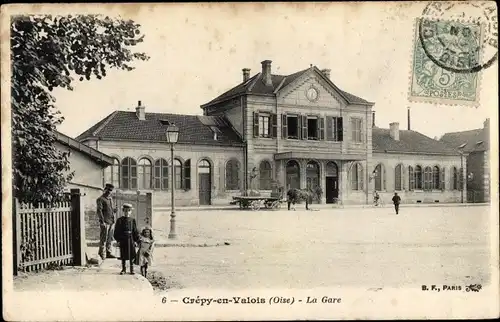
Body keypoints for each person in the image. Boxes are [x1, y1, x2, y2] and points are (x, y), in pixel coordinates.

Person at [113, 203, 140, 275]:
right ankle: (123, 269)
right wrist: (118, 240)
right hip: (123, 239)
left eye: (128, 211)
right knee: (123, 254)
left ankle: (132, 269)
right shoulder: (120, 220)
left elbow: (135, 231)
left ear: (131, 212)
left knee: (131, 254)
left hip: (130, 239)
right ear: (123, 211)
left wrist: (136, 240)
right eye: (125, 211)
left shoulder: (132, 220)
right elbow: (116, 231)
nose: (127, 212)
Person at [96, 183, 117, 260]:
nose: (109, 191)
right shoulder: (100, 199)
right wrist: (102, 222)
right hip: (105, 222)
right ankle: (101, 253)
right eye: (108, 189)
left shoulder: (110, 199)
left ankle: (108, 252)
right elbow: (99, 211)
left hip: (111, 221)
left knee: (110, 239)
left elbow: (110, 209)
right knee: (103, 239)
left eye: (110, 190)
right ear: (105, 189)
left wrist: (114, 211)